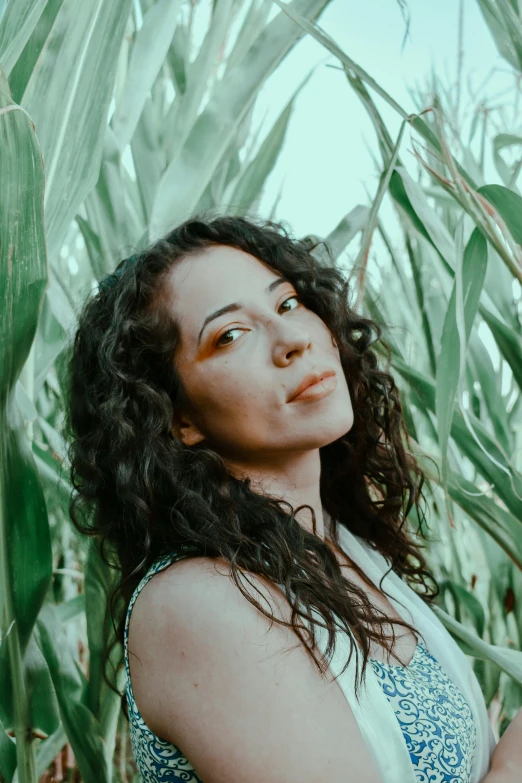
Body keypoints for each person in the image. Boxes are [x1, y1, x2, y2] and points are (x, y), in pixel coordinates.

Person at [65, 214, 502, 783]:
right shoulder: (200, 604)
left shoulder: (346, 552)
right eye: (231, 335)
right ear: (178, 417)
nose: (293, 340)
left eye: (289, 304)